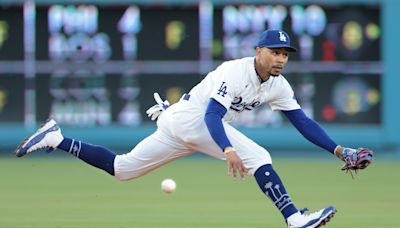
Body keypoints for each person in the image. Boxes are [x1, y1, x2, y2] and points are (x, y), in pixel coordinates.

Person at [15, 29, 373, 228]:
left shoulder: (278, 85)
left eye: (286, 53)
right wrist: (230, 150)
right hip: (191, 120)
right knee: (258, 155)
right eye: (275, 51)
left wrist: (340, 151)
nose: (281, 58)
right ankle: (294, 219)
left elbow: (303, 122)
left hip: (181, 126)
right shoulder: (235, 71)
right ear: (259, 50)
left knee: (122, 169)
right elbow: (213, 117)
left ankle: (56, 137)